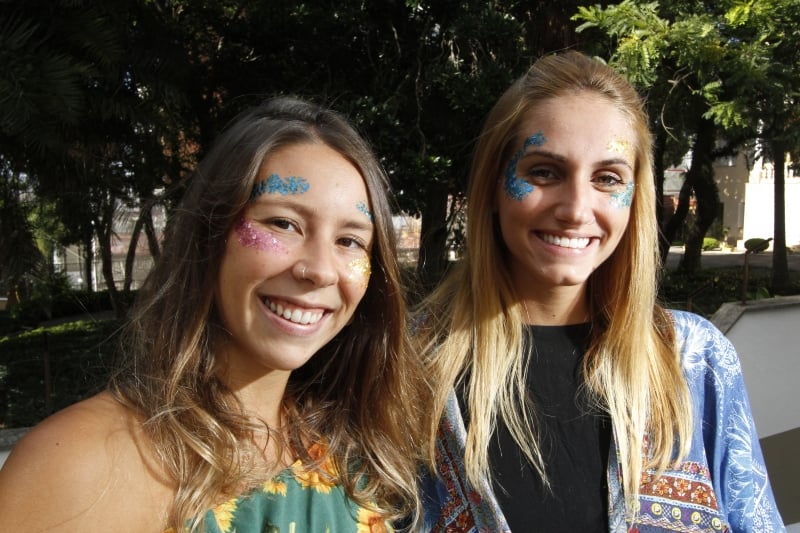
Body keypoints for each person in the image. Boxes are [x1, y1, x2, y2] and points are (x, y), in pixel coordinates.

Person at [0, 97, 432, 532]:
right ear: (209, 236)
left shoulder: (354, 454)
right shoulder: (81, 464)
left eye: (350, 241)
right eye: (283, 224)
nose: (320, 269)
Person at [415, 51, 785, 532]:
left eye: (607, 178)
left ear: (635, 198)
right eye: (544, 172)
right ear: (492, 185)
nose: (575, 209)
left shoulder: (696, 361)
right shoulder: (411, 364)